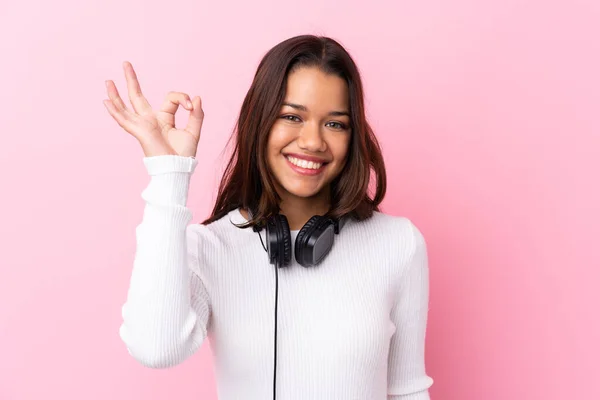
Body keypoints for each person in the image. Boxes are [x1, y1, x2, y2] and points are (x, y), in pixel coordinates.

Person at [103, 34, 434, 400]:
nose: (312, 142)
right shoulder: (211, 247)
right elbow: (156, 348)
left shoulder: (398, 243)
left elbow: (407, 392)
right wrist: (169, 174)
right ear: (259, 121)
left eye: (335, 124)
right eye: (292, 116)